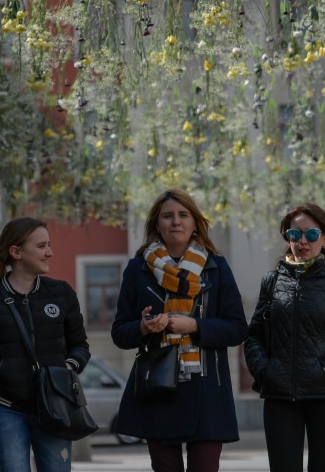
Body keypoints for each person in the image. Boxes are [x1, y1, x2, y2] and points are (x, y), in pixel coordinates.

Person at [111, 188, 248, 472]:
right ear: (157, 224)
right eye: (168, 216)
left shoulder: (216, 267)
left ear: (195, 222)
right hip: (159, 389)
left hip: (208, 391)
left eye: (183, 215)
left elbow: (237, 329)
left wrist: (195, 325)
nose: (176, 222)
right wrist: (143, 327)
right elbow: (119, 332)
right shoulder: (138, 269)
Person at [244, 203, 325, 472]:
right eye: (294, 234)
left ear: (324, 239)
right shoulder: (272, 280)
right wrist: (264, 371)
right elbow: (254, 335)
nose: (302, 241)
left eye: (311, 234)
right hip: (279, 398)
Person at [0, 216, 90, 472]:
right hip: (6, 409)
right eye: (41, 246)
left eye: (49, 245)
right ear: (16, 252)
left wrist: (67, 365)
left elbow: (80, 346)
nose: (49, 252)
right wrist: (1, 368)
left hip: (56, 407)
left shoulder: (61, 293)